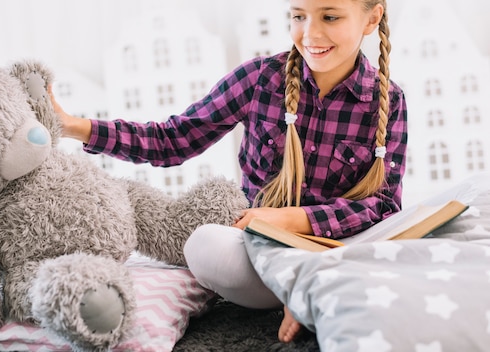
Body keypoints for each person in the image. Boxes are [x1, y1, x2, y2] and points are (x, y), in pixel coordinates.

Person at [50, 0, 406, 343]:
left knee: (432, 232)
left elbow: (385, 206)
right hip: (263, 251)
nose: (309, 33)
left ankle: (311, 288)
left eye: (330, 17)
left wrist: (293, 219)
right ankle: (310, 290)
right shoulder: (260, 79)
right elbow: (173, 140)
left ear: (372, 19)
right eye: (298, 16)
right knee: (205, 244)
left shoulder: (389, 101)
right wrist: (74, 126)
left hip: (338, 252)